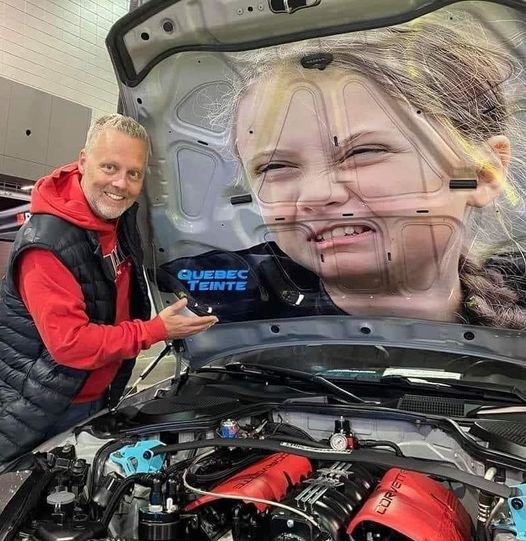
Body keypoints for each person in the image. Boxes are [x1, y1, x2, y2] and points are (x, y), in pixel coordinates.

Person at [161, 11, 526, 327]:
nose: (317, 194)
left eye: (364, 152)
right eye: (276, 166)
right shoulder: (220, 295)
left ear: (481, 174)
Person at [0, 114, 218, 463]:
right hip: (40, 409)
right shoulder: (47, 244)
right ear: (83, 161)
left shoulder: (117, 218)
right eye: (110, 167)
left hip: (99, 393)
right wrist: (155, 330)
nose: (121, 184)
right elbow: (71, 345)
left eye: (134, 173)